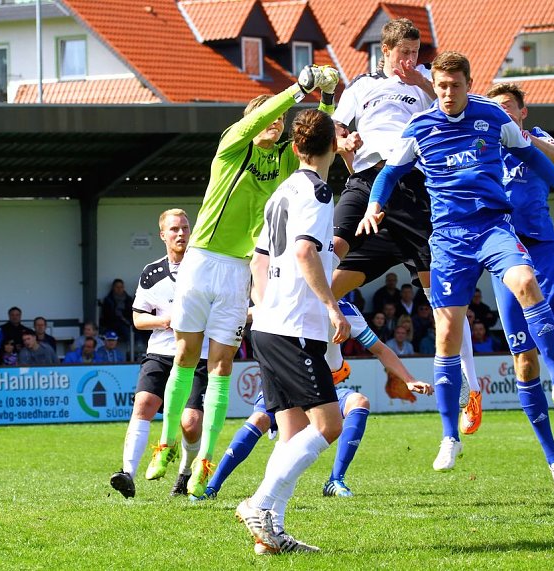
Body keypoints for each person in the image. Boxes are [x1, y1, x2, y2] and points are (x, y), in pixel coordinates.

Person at [358, 51, 554, 498]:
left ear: (468, 84)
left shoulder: (490, 116)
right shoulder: (421, 127)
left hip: (493, 228)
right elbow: (389, 172)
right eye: (441, 86)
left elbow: (535, 157)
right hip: (448, 239)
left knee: (526, 282)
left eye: (455, 86)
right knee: (447, 332)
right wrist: (374, 204)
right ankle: (449, 436)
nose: (447, 94)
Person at [146, 63, 340, 499]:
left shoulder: (285, 159)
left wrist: (326, 95)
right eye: (267, 117)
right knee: (184, 352)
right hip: (201, 258)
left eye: (280, 121)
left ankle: (203, 461)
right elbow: (258, 118)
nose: (275, 123)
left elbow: (319, 144)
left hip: (239, 268)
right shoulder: (233, 147)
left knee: (221, 366)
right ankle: (164, 444)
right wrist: (298, 88)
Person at [330, 18, 484, 436]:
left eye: (416, 53)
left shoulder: (429, 87)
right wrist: (343, 142)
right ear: (385, 52)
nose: (410, 61)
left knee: (445, 302)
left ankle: (472, 390)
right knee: (327, 275)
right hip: (367, 184)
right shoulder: (360, 85)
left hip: (414, 190)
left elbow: (463, 110)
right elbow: (338, 129)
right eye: (404, 54)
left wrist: (424, 79)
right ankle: (323, 370)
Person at [233, 108, 350, 555]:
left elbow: (258, 260)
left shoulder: (280, 191)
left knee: (293, 429)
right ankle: (260, 504)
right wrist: (331, 307)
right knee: (329, 425)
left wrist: (265, 309)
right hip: (295, 327)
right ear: (332, 148)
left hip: (266, 325)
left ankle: (271, 533)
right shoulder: (320, 193)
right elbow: (304, 252)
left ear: (296, 147)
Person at [194, 300, 432, 503]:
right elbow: (247, 314)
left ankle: (335, 480)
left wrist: (408, 379)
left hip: (324, 390)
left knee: (359, 402)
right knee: (259, 419)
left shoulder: (347, 311)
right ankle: (212, 487)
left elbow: (380, 349)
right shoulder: (291, 299)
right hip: (285, 383)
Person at [487, 82, 554, 484]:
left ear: (522, 111)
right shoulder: (485, 144)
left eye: (510, 107)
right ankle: (552, 459)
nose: (504, 113)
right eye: (497, 108)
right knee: (524, 359)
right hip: (505, 258)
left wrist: (526, 139)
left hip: (544, 251)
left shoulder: (535, 138)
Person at [110, 209, 210, 499]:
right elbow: (139, 319)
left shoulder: (204, 267)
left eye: (185, 228)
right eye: (175, 229)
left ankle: (185, 472)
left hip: (197, 355)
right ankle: (127, 473)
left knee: (190, 424)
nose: (181, 234)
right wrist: (166, 320)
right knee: (143, 404)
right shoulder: (151, 272)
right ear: (162, 235)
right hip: (161, 352)